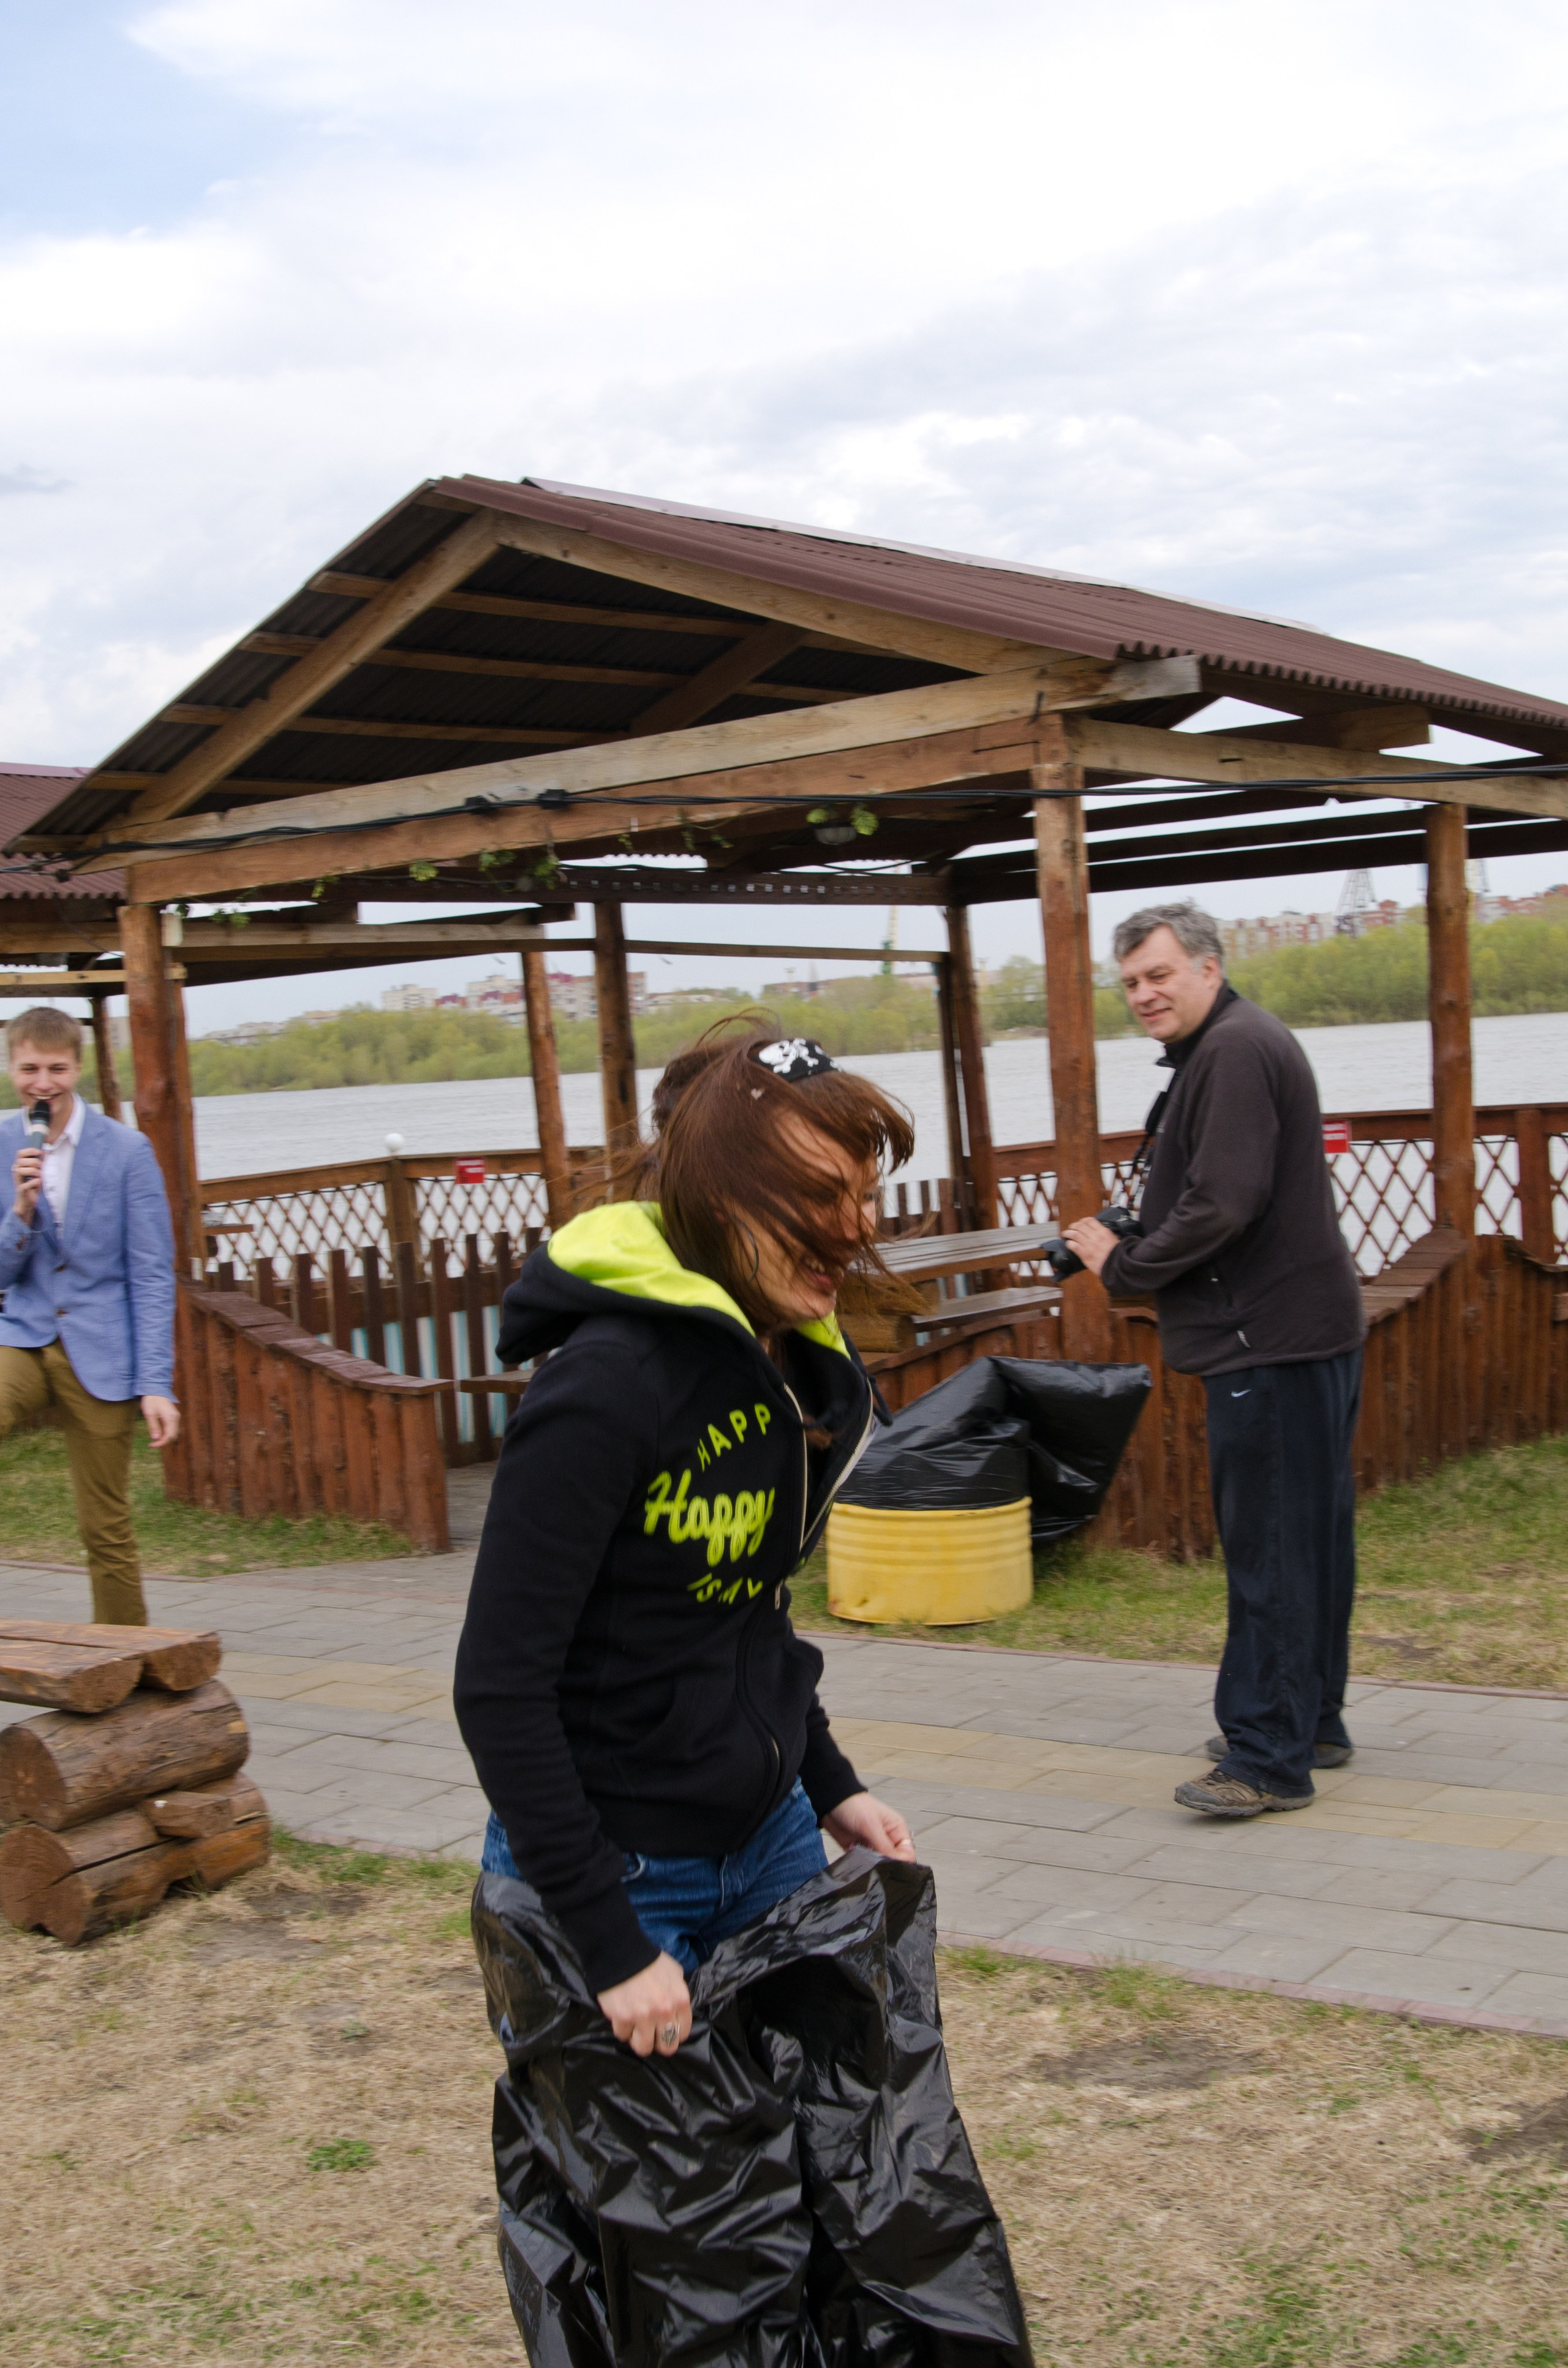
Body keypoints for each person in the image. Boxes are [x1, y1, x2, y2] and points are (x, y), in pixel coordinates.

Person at [454, 1029, 916, 2062]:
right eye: (819, 1196)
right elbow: (498, 1687)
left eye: (864, 1194)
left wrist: (830, 1783)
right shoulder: (603, 1390)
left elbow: (746, 1610)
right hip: (617, 1873)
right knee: (649, 2214)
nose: (856, 1229)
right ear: (716, 1195)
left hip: (769, 1842)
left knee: (821, 2169)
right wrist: (611, 1947)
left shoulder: (785, 1365)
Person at [1061, 904, 1365, 1820]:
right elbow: (1225, 1190)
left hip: (1264, 1339)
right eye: (1130, 984)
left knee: (1269, 1547)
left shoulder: (1232, 1050)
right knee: (1310, 1538)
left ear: (1207, 967)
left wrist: (1124, 1265)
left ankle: (1268, 1757)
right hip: (1301, 1329)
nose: (1145, 995)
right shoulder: (1236, 1042)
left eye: (1159, 975)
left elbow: (1223, 1203)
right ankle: (1311, 1722)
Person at [0, 1006, 179, 1624]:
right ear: (10, 1068)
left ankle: (126, 1658)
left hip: (101, 1350)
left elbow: (153, 1275)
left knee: (104, 1524)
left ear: (77, 1066)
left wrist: (156, 1383)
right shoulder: (2, 1144)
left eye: (55, 1068)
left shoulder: (127, 1151)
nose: (42, 1083)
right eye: (28, 1069)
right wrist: (20, 1213)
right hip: (22, 1336)